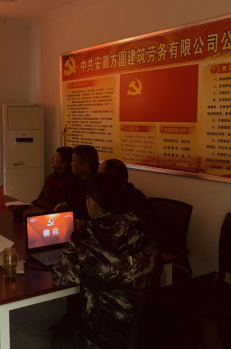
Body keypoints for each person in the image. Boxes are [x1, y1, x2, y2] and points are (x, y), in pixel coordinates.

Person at [52, 173, 161, 349]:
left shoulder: (86, 238)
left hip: (104, 332)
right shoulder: (143, 227)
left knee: (59, 336)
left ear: (92, 202)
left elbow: (60, 277)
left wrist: (78, 237)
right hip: (144, 326)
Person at [54, 145, 99, 220]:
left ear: (85, 165)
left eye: (74, 161)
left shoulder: (95, 185)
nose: (71, 164)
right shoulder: (76, 179)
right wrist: (66, 204)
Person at [32, 147, 74, 211]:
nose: (52, 158)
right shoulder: (50, 177)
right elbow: (40, 198)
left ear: (64, 163)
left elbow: (61, 206)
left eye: (56, 156)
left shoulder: (71, 180)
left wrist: (50, 206)